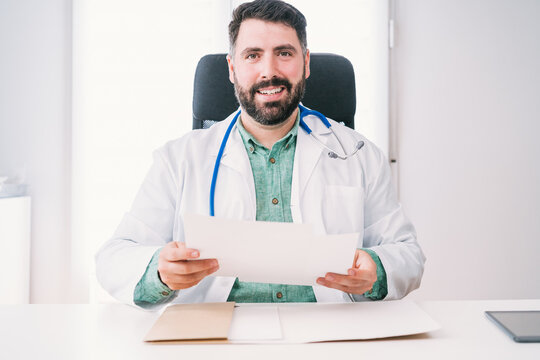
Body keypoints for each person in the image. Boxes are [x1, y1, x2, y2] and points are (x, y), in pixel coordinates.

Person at [95, 0, 425, 308]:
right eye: (253, 55)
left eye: (284, 53)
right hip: (216, 337)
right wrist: (159, 270)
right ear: (232, 68)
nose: (269, 71)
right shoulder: (178, 160)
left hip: (326, 335)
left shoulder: (358, 155)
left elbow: (408, 254)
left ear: (305, 63)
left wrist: (377, 269)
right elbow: (114, 258)